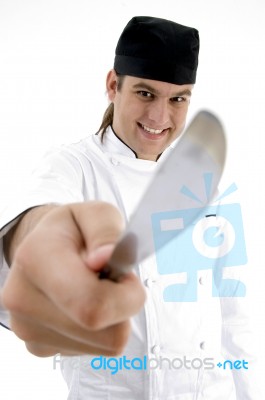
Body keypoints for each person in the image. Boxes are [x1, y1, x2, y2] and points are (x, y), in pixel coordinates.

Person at [0, 16, 260, 399]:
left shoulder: (207, 184)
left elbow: (236, 313)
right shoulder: (72, 166)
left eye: (178, 99)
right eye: (145, 93)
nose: (160, 117)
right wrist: (38, 245)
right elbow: (40, 218)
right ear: (113, 86)